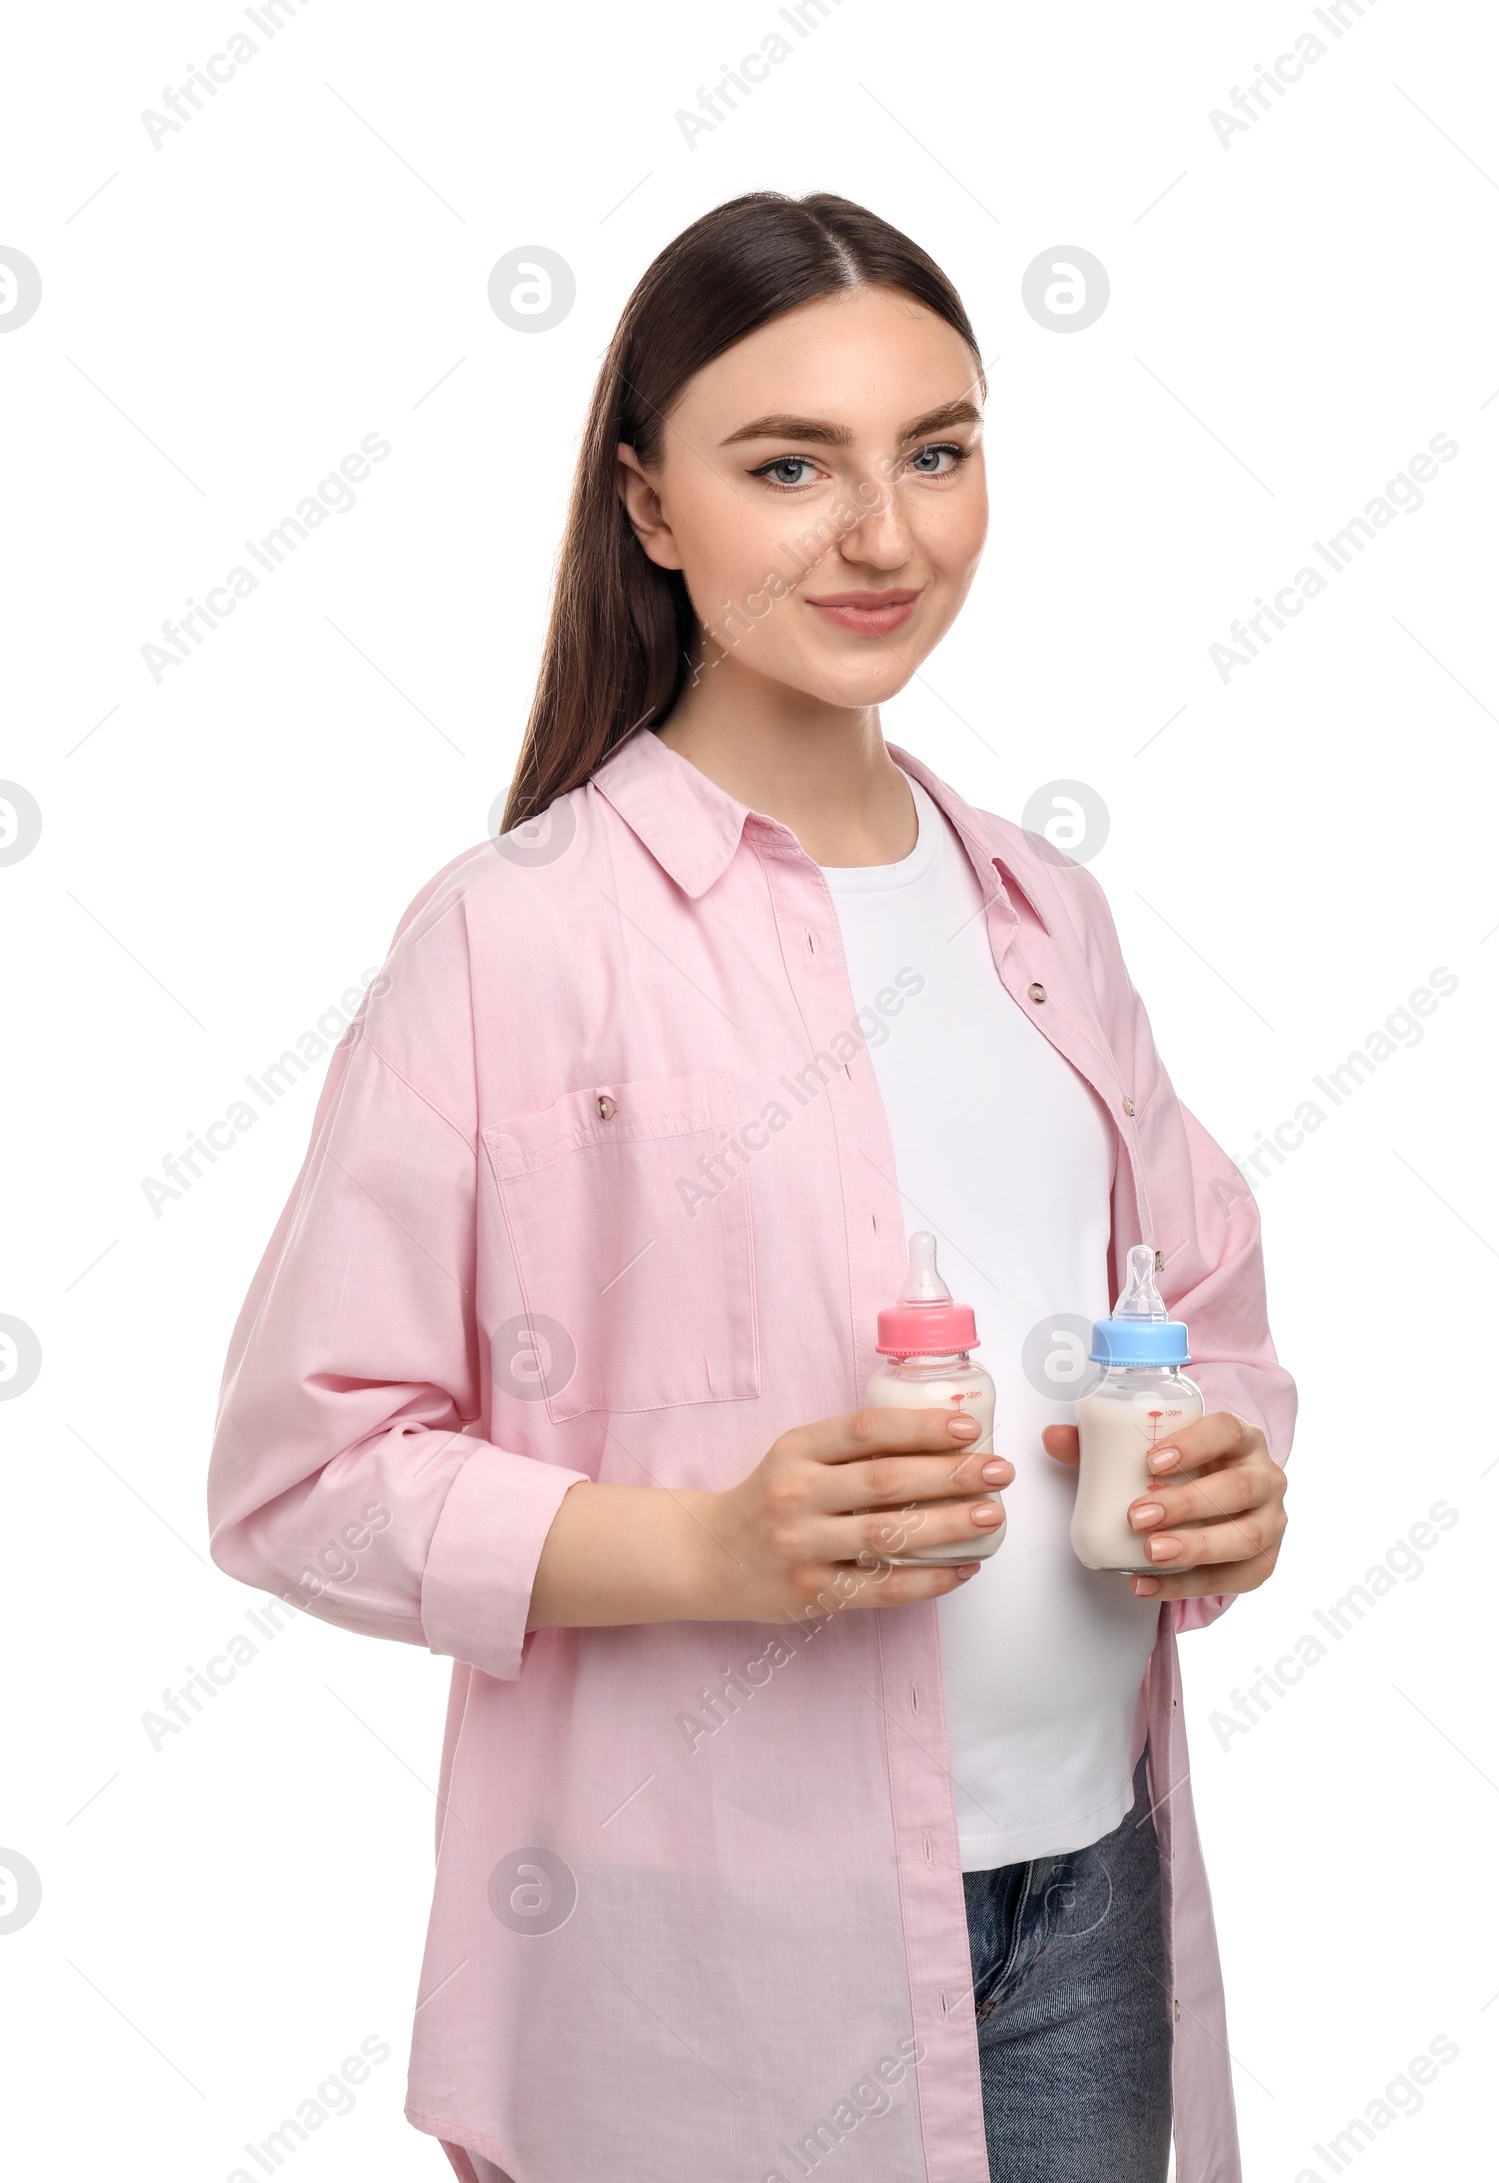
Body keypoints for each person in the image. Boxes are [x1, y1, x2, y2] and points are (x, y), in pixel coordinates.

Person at [208, 190, 1295, 2183]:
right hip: (701, 1959)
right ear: (647, 506)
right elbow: (303, 1475)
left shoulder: (1042, 913)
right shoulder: (512, 940)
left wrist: (1223, 1480)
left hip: (1086, 1896)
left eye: (936, 453)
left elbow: (1199, 1317)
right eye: (787, 465)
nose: (882, 536)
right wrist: (705, 1553)